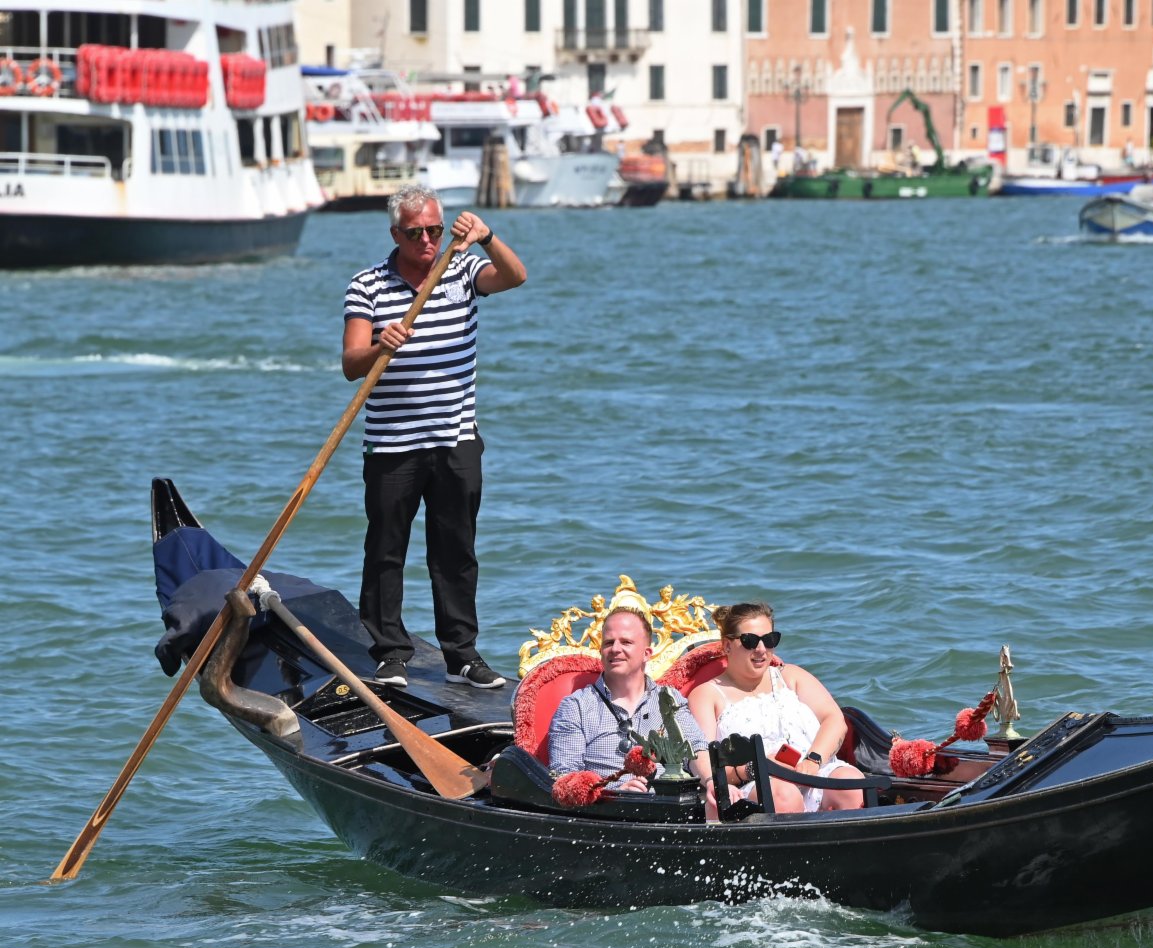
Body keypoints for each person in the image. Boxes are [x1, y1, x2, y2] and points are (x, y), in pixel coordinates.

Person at [342, 186, 528, 690]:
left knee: (455, 550)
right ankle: (390, 652)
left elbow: (515, 276)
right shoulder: (367, 286)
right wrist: (381, 342)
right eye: (415, 233)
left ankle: (461, 655)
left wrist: (487, 237)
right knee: (385, 551)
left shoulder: (461, 271)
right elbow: (351, 364)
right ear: (395, 234)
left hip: (455, 439)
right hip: (392, 444)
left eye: (434, 230)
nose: (427, 240)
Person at [687, 602, 865, 814]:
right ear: (727, 645)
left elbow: (834, 720)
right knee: (784, 795)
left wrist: (812, 761)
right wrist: (755, 769)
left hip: (814, 771)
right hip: (753, 786)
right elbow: (701, 758)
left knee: (852, 783)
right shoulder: (707, 694)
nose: (761, 649)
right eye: (750, 641)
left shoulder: (792, 676)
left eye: (769, 640)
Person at [548, 607, 717, 799]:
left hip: (667, 805)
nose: (615, 649)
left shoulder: (670, 699)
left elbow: (694, 748)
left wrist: (712, 783)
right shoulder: (576, 706)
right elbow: (565, 778)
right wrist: (615, 794)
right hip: (606, 814)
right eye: (609, 642)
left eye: (626, 642)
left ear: (646, 653)